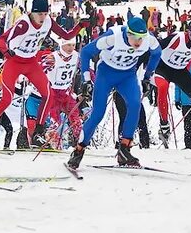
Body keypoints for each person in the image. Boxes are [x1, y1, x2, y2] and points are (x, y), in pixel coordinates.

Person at [0, 0, 85, 138]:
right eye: (39, 14)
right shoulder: (23, 24)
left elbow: (66, 36)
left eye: (45, 13)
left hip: (30, 63)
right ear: (32, 12)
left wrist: (80, 26)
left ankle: (39, 130)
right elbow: (1, 40)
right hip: (14, 62)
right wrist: (6, 51)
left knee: (47, 94)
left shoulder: (48, 21)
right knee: (6, 99)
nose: (42, 17)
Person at [66, 17, 161, 169]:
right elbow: (86, 52)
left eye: (141, 38)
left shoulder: (149, 40)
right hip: (106, 74)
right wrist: (86, 79)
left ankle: (124, 150)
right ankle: (78, 151)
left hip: (127, 75)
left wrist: (147, 77)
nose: (138, 42)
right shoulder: (113, 37)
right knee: (98, 114)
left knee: (135, 104)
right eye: (135, 37)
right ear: (128, 33)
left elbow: (157, 54)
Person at [153, 19, 191, 147]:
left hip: (180, 71)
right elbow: (156, 48)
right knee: (163, 87)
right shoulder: (177, 38)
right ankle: (164, 124)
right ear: (190, 31)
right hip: (163, 68)